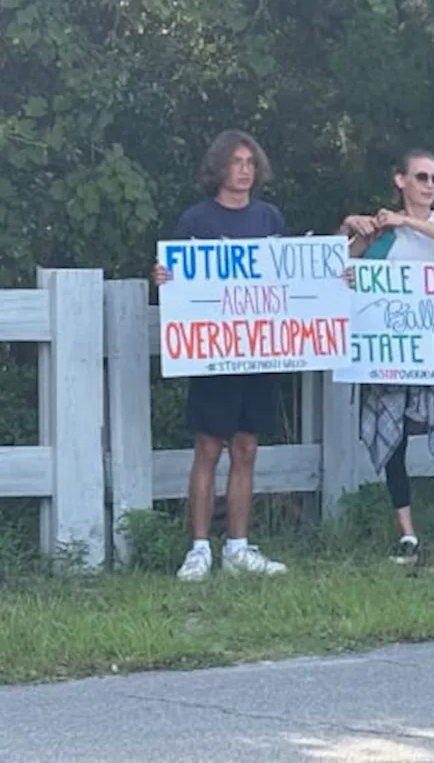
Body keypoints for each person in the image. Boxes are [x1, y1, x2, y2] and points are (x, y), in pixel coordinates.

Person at [152, 129, 289, 581]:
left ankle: (237, 546)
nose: (245, 169)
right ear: (219, 168)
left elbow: (291, 281)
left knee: (247, 447)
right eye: (237, 162)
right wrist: (163, 278)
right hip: (212, 352)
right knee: (209, 447)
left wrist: (334, 277)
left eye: (251, 162)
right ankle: (198, 549)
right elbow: (178, 282)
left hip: (257, 352)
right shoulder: (197, 221)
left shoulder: (270, 219)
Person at [338, 149, 434, 564]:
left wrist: (405, 220)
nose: (430, 185)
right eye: (421, 177)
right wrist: (349, 228)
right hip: (390, 351)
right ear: (401, 181)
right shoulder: (380, 233)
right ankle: (407, 536)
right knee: (392, 438)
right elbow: (341, 264)